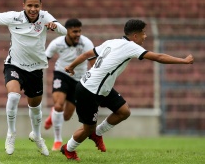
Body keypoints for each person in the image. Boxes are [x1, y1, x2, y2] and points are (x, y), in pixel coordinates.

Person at [62, 19, 194, 161]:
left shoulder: (112, 42)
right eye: (143, 33)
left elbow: (87, 54)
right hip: (89, 91)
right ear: (135, 36)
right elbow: (159, 57)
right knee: (87, 129)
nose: (145, 36)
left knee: (123, 111)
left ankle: (98, 133)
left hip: (102, 88)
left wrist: (71, 66)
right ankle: (68, 149)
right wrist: (184, 61)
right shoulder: (130, 46)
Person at [0, 0, 67, 156]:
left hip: (36, 69)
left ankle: (37, 136)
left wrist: (55, 26)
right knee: (14, 96)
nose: (33, 9)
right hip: (14, 65)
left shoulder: (45, 17)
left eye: (36, 6)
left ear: (41, 6)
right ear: (23, 5)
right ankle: (11, 134)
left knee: (35, 107)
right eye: (29, 5)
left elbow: (64, 31)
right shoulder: (13, 17)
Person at [44, 18, 96, 151]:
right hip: (61, 75)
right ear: (67, 32)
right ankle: (57, 140)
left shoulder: (86, 43)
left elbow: (94, 64)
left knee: (66, 116)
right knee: (58, 105)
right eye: (74, 31)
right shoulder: (57, 43)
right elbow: (45, 59)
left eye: (79, 31)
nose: (78, 34)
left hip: (79, 79)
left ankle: (52, 115)